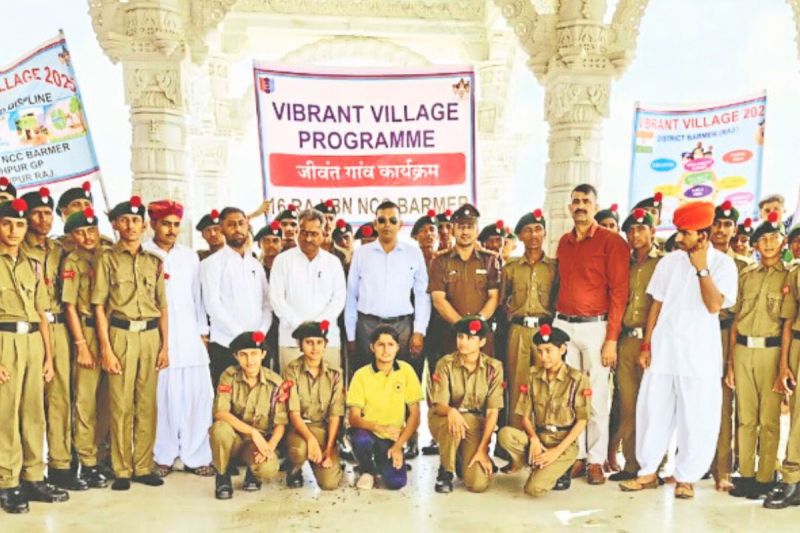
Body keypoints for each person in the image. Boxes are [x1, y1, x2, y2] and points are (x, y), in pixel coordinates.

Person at [620, 201, 737, 499]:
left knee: (696, 416)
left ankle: (686, 478)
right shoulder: (669, 262)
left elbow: (714, 305)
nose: (680, 238)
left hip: (699, 355)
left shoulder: (723, 265)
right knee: (653, 410)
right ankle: (647, 472)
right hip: (664, 349)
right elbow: (656, 304)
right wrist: (647, 344)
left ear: (703, 235)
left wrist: (701, 270)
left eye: (686, 233)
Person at [92, 196, 169, 491]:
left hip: (150, 335)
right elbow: (99, 306)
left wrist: (165, 346)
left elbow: (162, 306)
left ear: (145, 225)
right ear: (115, 224)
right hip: (120, 334)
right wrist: (106, 349)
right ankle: (122, 469)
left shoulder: (154, 262)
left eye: (136, 220)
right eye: (124, 220)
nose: (131, 225)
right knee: (121, 404)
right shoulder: (107, 259)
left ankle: (143, 465)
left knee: (147, 403)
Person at [555, 183, 629, 485]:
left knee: (596, 397)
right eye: (576, 201)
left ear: (595, 206)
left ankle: (596, 460)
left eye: (586, 201)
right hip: (564, 325)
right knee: (570, 395)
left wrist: (611, 338)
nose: (580, 206)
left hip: (596, 327)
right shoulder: (564, 242)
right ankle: (577, 456)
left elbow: (619, 292)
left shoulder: (612, 242)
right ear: (570, 207)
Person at [0, 198, 67, 514]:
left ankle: (33, 477)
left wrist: (49, 358)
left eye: (19, 225)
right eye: (7, 224)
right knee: (6, 416)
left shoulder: (32, 264)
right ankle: (7, 481)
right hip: (5, 341)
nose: (14, 231)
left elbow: (41, 312)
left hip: (33, 342)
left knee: (33, 413)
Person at [19, 188, 87, 492]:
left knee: (60, 399)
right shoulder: (17, 249)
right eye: (37, 213)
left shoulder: (59, 249)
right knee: (30, 402)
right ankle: (28, 470)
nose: (44, 219)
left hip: (59, 327)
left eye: (48, 214)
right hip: (31, 328)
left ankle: (61, 466)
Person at [143, 200, 214, 478]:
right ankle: (163, 455)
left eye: (176, 224)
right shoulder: (144, 253)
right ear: (153, 224)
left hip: (190, 336)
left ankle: (196, 456)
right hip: (159, 339)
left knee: (197, 398)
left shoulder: (190, 256)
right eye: (166, 224)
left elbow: (198, 297)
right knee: (163, 399)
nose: (172, 230)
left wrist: (202, 333)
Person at [726, 212, 794, 499]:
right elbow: (735, 319)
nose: (768, 244)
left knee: (769, 420)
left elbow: (788, 323)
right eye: (762, 239)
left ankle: (765, 477)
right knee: (745, 417)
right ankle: (746, 474)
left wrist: (783, 366)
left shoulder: (789, 276)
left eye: (773, 238)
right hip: (743, 350)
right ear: (755, 244)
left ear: (783, 242)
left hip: (772, 351)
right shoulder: (746, 275)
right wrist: (730, 364)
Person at [497, 324, 590, 497]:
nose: (543, 357)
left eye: (549, 351)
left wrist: (556, 452)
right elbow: (525, 416)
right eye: (539, 351)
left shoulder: (577, 379)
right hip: (540, 438)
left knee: (534, 489)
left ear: (562, 349)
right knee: (505, 434)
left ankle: (559, 467)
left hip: (563, 443)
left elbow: (582, 420)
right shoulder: (532, 375)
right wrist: (533, 438)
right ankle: (534, 463)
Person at [345, 201, 430, 379]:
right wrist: (351, 336)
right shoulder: (361, 254)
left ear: (400, 224)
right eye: (382, 220)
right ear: (375, 224)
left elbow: (422, 295)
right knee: (368, 380)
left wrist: (419, 331)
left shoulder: (413, 253)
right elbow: (351, 296)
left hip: (402, 327)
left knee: (402, 379)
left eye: (393, 220)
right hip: (367, 326)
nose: (387, 225)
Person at [608, 208, 661, 482]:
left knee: (654, 405)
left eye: (641, 229)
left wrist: (650, 344)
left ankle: (653, 466)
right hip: (626, 340)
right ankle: (631, 464)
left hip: (655, 342)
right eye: (630, 230)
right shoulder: (622, 263)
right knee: (628, 405)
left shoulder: (663, 263)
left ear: (652, 231)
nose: (635, 235)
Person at [60, 208, 111, 489]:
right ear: (72, 236)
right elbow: (69, 306)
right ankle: (87, 461)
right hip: (88, 331)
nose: (88, 237)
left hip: (112, 331)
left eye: (91, 230)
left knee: (107, 400)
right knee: (85, 401)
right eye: (80, 232)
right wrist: (81, 345)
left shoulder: (109, 254)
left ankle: (103, 456)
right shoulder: (72, 261)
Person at [428, 316, 503, 493]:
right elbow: (439, 405)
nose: (463, 342)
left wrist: (483, 449)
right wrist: (451, 411)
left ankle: (461, 456)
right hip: (444, 419)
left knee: (477, 484)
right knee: (453, 423)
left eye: (470, 338)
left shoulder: (494, 368)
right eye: (460, 337)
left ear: (482, 342)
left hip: (474, 423)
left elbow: (492, 412)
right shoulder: (445, 364)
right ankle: (445, 471)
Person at [210, 330, 287, 499]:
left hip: (257, 444)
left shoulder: (275, 382)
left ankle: (253, 473)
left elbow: (280, 422)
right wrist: (252, 432)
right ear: (236, 356)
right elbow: (220, 413)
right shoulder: (229, 376)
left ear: (263, 354)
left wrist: (269, 447)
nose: (249, 360)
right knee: (220, 429)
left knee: (269, 468)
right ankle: (222, 474)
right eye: (243, 355)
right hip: (234, 439)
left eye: (254, 354)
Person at [708, 200, 752, 491]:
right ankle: (692, 463)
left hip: (725, 334)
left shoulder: (743, 267)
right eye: (717, 224)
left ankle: (723, 468)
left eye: (727, 225)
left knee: (724, 402)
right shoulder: (697, 259)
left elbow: (739, 313)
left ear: (734, 230)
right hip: (696, 333)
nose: (721, 229)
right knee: (692, 397)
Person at [201, 206, 272, 386]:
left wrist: (261, 333)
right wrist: (242, 337)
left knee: (258, 395)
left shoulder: (255, 264)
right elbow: (212, 305)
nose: (238, 229)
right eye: (231, 224)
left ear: (247, 226)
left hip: (256, 346)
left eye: (241, 223)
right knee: (226, 397)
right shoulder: (211, 264)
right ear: (221, 228)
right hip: (226, 345)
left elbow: (266, 304)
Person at [347, 325, 422, 490]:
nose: (386, 350)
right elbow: (353, 418)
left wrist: (398, 446)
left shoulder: (406, 371)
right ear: (372, 347)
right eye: (380, 345)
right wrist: (379, 427)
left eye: (390, 344)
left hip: (392, 437)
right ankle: (367, 470)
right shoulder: (361, 375)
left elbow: (415, 415)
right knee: (361, 440)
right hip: (368, 432)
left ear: (397, 347)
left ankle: (382, 463)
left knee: (396, 482)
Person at [500, 209, 557, 429]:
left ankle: (543, 436)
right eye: (528, 230)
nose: (534, 235)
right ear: (520, 236)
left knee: (545, 384)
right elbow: (502, 302)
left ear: (544, 233)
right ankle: (516, 437)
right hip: (519, 332)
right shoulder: (511, 268)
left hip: (545, 332)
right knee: (518, 385)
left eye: (538, 229)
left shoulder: (554, 268)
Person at [270, 209, 346, 371]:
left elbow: (338, 299)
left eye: (314, 233)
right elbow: (276, 299)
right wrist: (301, 328)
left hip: (327, 340)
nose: (308, 238)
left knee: (329, 385)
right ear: (297, 231)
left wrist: (317, 329)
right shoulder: (282, 261)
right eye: (304, 232)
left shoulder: (333, 262)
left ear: (323, 233)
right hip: (291, 340)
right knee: (291, 387)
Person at [429, 203, 500, 357]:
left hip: (481, 337)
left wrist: (477, 323)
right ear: (453, 230)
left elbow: (494, 297)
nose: (465, 231)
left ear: (477, 230)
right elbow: (438, 300)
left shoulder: (489, 260)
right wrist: (463, 327)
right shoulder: (440, 261)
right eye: (461, 227)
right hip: (450, 337)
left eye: (470, 227)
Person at [283, 321, 344, 490]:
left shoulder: (335, 373)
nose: (315, 348)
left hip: (324, 430)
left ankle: (331, 459)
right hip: (299, 430)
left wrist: (329, 449)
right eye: (309, 342)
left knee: (329, 484)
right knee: (298, 450)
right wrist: (310, 439)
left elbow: (335, 414)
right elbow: (294, 413)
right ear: (300, 345)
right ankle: (294, 468)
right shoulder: (292, 370)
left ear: (325, 344)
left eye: (319, 342)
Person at [765, 238, 800, 509]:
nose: (798, 246)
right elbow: (789, 319)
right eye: (795, 242)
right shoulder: (795, 273)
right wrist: (784, 363)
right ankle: (793, 479)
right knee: (798, 417)